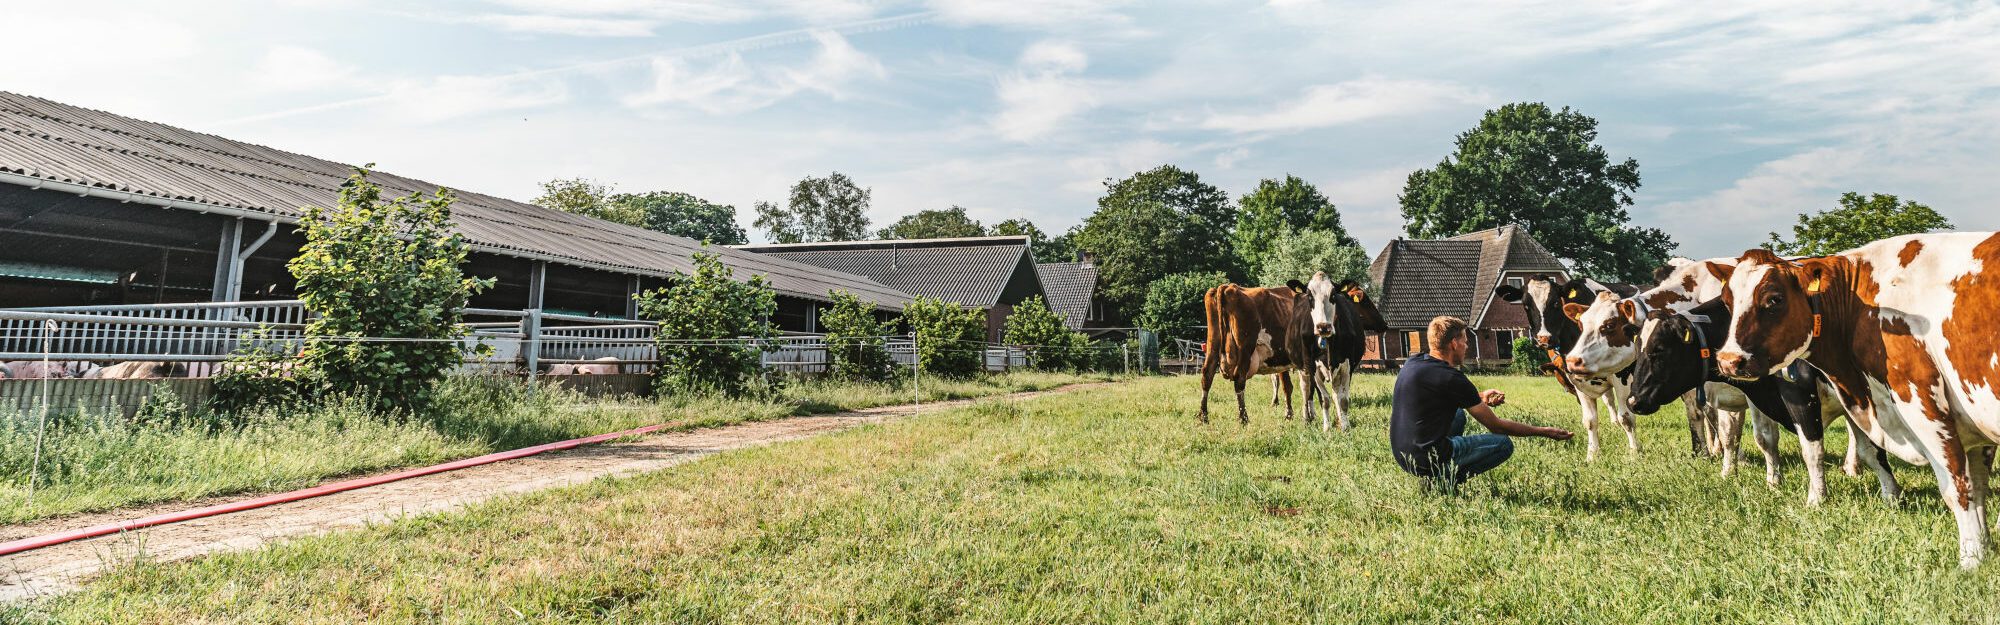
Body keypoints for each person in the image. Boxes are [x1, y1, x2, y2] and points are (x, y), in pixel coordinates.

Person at [1391, 316, 1572, 490]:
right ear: (1454, 343)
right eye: (1465, 341)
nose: (1466, 346)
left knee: (1458, 414)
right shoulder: (1452, 378)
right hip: (1426, 458)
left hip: (1403, 456)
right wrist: (1544, 431)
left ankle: (1437, 469)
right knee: (1503, 444)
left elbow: (1440, 395)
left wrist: (1479, 397)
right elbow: (1497, 427)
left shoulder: (1413, 362)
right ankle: (1442, 481)